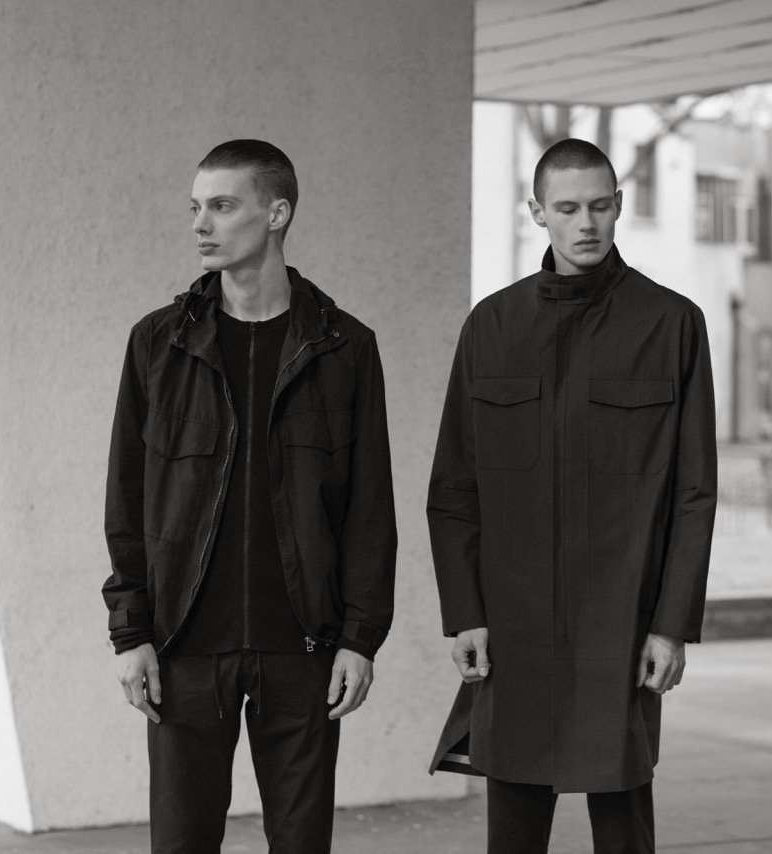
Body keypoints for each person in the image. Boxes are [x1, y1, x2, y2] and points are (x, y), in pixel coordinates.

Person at [101, 139, 397, 853]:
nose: (201, 224)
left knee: (301, 844)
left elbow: (369, 509)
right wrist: (131, 631)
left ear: (276, 213)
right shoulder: (158, 344)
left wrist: (360, 639)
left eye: (223, 206)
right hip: (184, 647)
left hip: (302, 647)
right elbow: (127, 497)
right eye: (196, 207)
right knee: (181, 843)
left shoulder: (345, 347)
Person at [426, 138, 717, 853]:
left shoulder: (671, 323)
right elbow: (454, 488)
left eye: (599, 206)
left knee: (622, 819)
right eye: (566, 208)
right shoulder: (491, 326)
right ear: (537, 212)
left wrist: (670, 625)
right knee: (513, 825)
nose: (586, 223)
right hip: (514, 621)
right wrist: (465, 615)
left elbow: (694, 493)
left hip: (622, 620)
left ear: (618, 206)